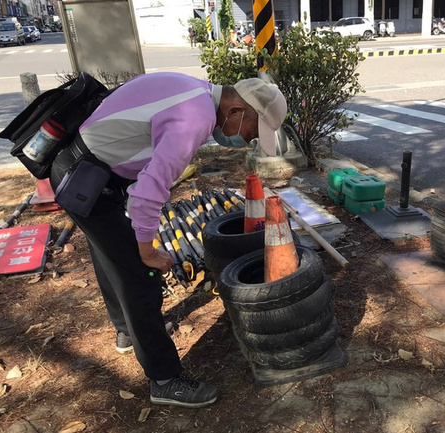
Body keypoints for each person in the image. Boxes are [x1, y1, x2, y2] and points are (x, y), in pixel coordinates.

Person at [49, 72, 288, 408]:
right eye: (251, 133)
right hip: (86, 178)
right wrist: (147, 251)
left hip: (86, 170)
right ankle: (165, 380)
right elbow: (148, 194)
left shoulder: (198, 90)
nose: (246, 141)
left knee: (111, 255)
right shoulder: (196, 117)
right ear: (236, 111)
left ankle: (126, 331)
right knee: (141, 275)